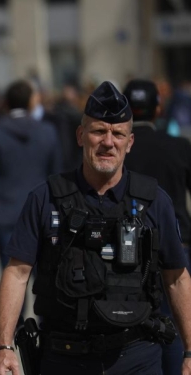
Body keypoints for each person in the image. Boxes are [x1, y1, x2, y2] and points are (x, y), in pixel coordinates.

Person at [0, 81, 191, 375]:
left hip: (136, 357)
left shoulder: (154, 201)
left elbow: (177, 279)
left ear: (130, 142)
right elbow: (17, 273)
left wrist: (189, 350)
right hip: (63, 358)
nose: (108, 142)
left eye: (118, 134)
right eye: (99, 131)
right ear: (81, 135)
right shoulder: (46, 198)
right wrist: (3, 346)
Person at [123, 78, 191, 375]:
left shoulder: (115, 149)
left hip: (127, 243)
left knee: (129, 321)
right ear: (159, 108)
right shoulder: (177, 146)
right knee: (176, 319)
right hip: (177, 241)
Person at [0, 79, 62, 269]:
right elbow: (57, 173)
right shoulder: (47, 131)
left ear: (7, 103)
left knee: (12, 275)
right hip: (41, 211)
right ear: (32, 102)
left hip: (5, 211)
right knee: (43, 278)